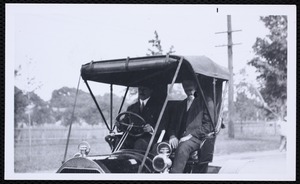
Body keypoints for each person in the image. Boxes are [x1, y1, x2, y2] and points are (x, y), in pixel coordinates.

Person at [167, 80, 213, 173]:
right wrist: (172, 136)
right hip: (179, 139)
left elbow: (209, 126)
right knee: (159, 147)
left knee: (183, 147)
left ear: (196, 86)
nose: (189, 92)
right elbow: (172, 125)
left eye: (191, 89)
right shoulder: (180, 105)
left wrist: (190, 135)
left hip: (197, 139)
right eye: (186, 89)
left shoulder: (205, 101)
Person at [117, 85, 164, 151]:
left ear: (151, 91)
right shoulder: (131, 108)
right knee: (118, 141)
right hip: (133, 136)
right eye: (140, 89)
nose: (141, 91)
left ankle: (137, 161)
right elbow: (126, 122)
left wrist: (151, 129)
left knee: (140, 143)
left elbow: (163, 125)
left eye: (144, 89)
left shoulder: (158, 107)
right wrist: (120, 124)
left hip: (150, 137)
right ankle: (118, 160)